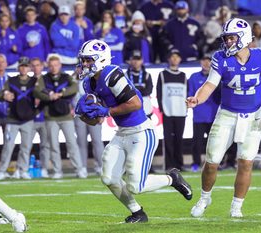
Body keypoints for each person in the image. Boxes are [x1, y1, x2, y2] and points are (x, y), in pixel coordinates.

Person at [75, 39, 192, 222]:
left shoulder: (112, 74)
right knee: (109, 178)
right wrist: (83, 115)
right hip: (122, 133)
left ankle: (172, 178)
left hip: (141, 132)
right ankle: (137, 212)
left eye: (89, 60)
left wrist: (106, 111)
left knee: (136, 185)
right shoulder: (89, 84)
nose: (84, 64)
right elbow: (97, 120)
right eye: (83, 60)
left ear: (101, 59)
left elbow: (135, 104)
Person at [187, 18, 261, 218]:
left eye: (232, 38)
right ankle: (205, 197)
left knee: (246, 162)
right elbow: (210, 85)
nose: (228, 42)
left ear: (244, 38)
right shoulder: (221, 58)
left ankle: (237, 206)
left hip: (253, 117)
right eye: (227, 38)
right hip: (227, 115)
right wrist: (198, 99)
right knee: (212, 162)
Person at [33, 54, 85, 179]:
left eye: (56, 65)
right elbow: (37, 91)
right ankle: (57, 170)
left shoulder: (66, 77)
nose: (54, 67)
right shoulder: (44, 79)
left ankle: (79, 169)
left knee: (72, 144)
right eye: (51, 66)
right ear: (48, 66)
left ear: (60, 65)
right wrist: (49, 96)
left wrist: (61, 93)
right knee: (53, 146)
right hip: (51, 117)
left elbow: (74, 87)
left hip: (66, 116)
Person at [0, 57, 36, 180]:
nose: (23, 68)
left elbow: (42, 93)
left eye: (25, 66)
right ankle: (2, 170)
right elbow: (0, 95)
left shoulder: (35, 81)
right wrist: (5, 95)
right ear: (18, 68)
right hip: (12, 119)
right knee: (8, 146)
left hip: (28, 119)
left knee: (26, 147)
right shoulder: (11, 81)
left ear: (29, 67)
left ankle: (23, 170)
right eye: (21, 66)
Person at [156, 49, 187, 171]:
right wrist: (162, 108)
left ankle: (180, 164)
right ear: (168, 59)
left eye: (177, 57)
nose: (174, 59)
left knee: (179, 139)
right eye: (172, 57)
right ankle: (169, 165)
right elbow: (159, 92)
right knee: (168, 139)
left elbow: (186, 93)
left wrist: (186, 109)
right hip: (168, 112)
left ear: (180, 59)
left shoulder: (183, 76)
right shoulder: (163, 74)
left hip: (181, 112)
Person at [187, 56, 220, 172]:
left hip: (214, 115)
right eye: (204, 60)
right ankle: (196, 163)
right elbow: (190, 94)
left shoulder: (217, 77)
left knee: (214, 142)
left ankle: (215, 163)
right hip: (199, 116)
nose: (206, 63)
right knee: (197, 142)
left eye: (208, 61)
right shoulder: (194, 77)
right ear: (200, 62)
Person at [30, 57, 51, 178]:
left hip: (45, 117)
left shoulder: (47, 80)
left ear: (42, 66)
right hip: (31, 117)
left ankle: (44, 168)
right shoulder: (28, 81)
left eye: (38, 65)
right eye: (33, 65)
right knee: (26, 145)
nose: (36, 67)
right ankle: (24, 169)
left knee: (45, 145)